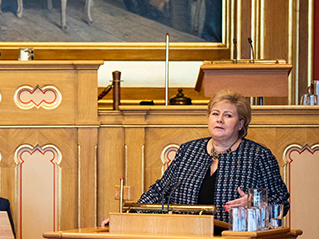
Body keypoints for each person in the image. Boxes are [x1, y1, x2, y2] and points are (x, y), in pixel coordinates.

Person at [102, 90, 290, 226]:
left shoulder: (258, 156)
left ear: (241, 123)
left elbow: (281, 200)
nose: (219, 120)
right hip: (187, 237)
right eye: (215, 114)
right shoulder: (189, 151)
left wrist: (255, 202)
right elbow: (160, 191)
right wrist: (125, 217)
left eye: (228, 115)